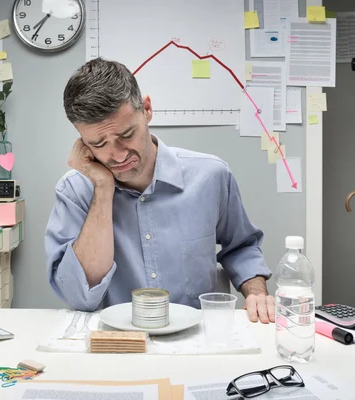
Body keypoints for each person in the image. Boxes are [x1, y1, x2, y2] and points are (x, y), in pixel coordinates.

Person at [44, 57, 275, 323]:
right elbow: (80, 297)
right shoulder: (74, 192)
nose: (117, 155)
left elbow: (241, 247)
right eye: (99, 143)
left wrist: (256, 292)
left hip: (198, 340)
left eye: (126, 135)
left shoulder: (211, 175)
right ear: (83, 142)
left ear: (146, 109)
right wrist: (103, 188)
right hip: (118, 345)